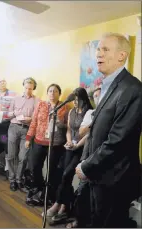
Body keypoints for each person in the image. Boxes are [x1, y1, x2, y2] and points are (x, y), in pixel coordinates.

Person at [75, 32, 142, 228]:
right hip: (97, 175)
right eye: (98, 49)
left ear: (122, 55)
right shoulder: (108, 86)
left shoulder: (133, 89)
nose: (99, 54)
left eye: (105, 49)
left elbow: (118, 140)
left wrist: (87, 166)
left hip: (114, 180)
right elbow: (96, 131)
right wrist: (85, 162)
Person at [48, 87, 93, 223]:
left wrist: (76, 145)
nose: (75, 102)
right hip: (70, 146)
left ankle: (59, 204)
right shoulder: (72, 111)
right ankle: (63, 205)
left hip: (81, 148)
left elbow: (89, 134)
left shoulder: (89, 113)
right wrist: (68, 141)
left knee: (68, 174)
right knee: (63, 175)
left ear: (83, 99)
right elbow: (68, 129)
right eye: (74, 99)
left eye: (77, 99)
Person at [25, 83, 70, 206]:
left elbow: (68, 126)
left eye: (55, 91)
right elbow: (34, 121)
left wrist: (61, 125)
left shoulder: (64, 107)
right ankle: (38, 188)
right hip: (39, 141)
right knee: (35, 166)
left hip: (55, 144)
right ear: (47, 93)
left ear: (59, 94)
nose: (52, 93)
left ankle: (46, 194)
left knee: (52, 171)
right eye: (50, 91)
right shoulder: (41, 104)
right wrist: (28, 138)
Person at [7, 77, 40, 192]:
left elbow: (37, 118)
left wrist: (29, 119)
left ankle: (18, 180)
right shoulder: (15, 99)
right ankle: (11, 180)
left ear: (33, 88)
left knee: (23, 157)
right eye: (26, 88)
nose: (28, 91)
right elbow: (8, 114)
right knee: (11, 155)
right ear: (23, 87)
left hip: (26, 130)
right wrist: (15, 113)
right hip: (13, 128)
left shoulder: (37, 101)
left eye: (30, 89)